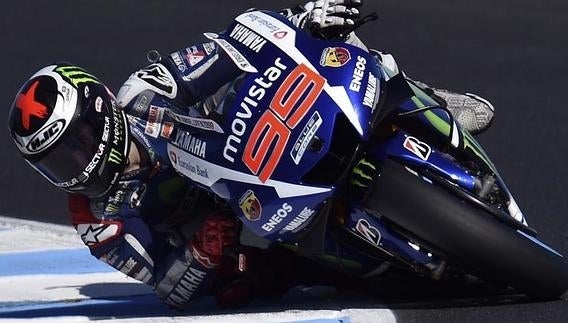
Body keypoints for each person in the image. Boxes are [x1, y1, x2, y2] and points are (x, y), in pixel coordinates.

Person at [7, 0, 494, 309]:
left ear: (102, 112)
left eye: (75, 144)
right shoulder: (95, 218)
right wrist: (198, 257)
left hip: (253, 140)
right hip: (240, 225)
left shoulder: (141, 93)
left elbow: (226, 50)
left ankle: (416, 94)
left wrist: (303, 19)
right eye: (56, 162)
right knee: (250, 284)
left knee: (335, 42)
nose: (75, 165)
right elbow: (164, 285)